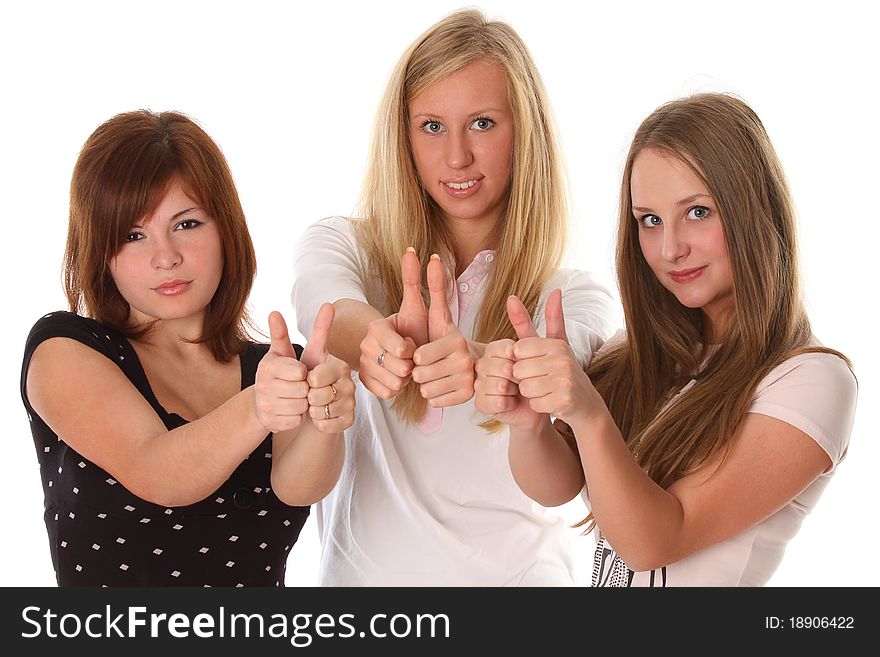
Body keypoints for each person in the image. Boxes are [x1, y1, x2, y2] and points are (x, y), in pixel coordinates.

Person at [475, 93, 858, 586]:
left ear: (751, 209)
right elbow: (558, 486)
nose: (670, 248)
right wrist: (528, 426)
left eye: (697, 212)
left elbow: (653, 542)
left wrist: (589, 413)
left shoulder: (810, 381)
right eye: (650, 221)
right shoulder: (641, 355)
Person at [291, 8, 616, 586]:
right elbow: (327, 305)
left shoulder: (573, 297)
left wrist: (481, 361)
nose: (458, 156)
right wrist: (381, 342)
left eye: (484, 124)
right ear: (404, 137)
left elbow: (556, 381)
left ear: (525, 130)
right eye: (432, 126)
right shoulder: (343, 244)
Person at [21, 110, 355, 586]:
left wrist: (327, 417)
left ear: (225, 230)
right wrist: (260, 406)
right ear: (101, 253)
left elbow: (298, 487)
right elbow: (157, 470)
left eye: (187, 224)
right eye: (132, 236)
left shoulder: (271, 365)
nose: (166, 257)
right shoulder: (65, 350)